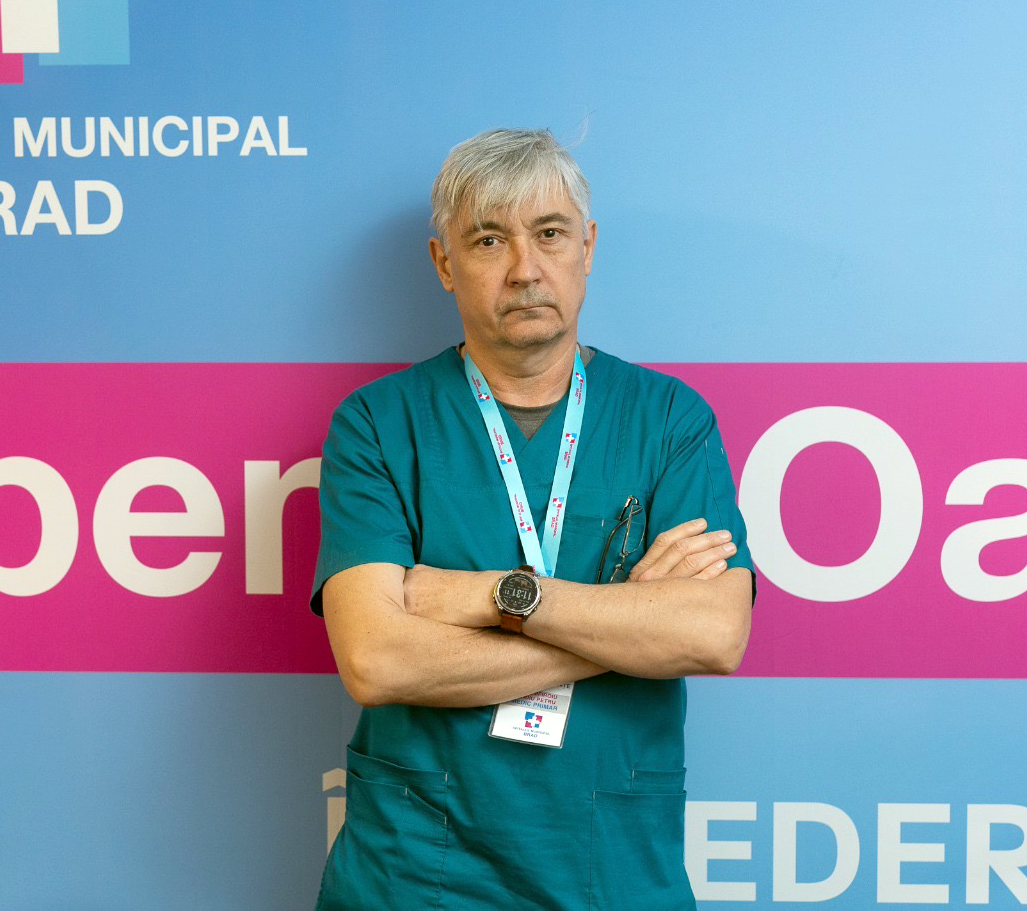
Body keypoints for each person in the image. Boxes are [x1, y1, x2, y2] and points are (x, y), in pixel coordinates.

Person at [310, 128, 756, 910]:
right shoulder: (378, 424)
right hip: (415, 874)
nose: (525, 268)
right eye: (489, 240)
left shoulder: (669, 420)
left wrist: (492, 597)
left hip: (611, 871)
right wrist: (625, 625)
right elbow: (377, 660)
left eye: (549, 233)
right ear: (444, 263)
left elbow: (713, 635)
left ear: (587, 246)